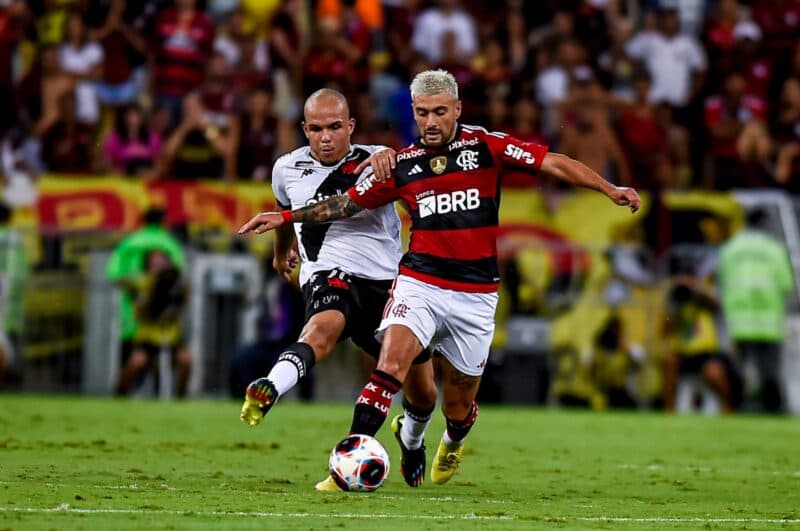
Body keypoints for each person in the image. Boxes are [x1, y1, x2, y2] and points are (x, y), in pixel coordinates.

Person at [238, 70, 640, 485]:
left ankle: (448, 439)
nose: (431, 122)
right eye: (423, 113)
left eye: (440, 112)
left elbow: (551, 161)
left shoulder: (484, 146)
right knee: (390, 364)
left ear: (457, 110)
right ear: (413, 113)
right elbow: (344, 205)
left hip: (476, 294)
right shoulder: (404, 165)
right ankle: (345, 468)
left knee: (456, 404)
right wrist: (285, 218)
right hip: (419, 283)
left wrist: (608, 188)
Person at [238, 88, 438, 491]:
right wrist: (282, 255)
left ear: (350, 127)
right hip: (329, 274)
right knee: (322, 330)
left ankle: (411, 438)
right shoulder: (285, 168)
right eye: (316, 129)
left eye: (334, 127)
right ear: (304, 130)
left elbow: (416, 189)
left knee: (424, 391)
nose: (325, 137)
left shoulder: (378, 159)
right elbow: (283, 212)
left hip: (388, 285)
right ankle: (271, 388)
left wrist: (393, 159)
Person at [718, 208, 794, 412]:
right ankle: (772, 410)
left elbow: (722, 280)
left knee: (739, 369)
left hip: (739, 319)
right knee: (769, 371)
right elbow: (786, 284)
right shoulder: (774, 249)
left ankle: (736, 407)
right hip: (768, 320)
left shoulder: (730, 248)